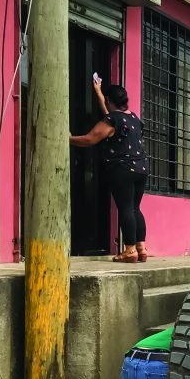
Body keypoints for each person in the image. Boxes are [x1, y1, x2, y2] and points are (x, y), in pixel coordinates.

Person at [70, 80, 150, 263]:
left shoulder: (112, 120)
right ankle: (141, 248)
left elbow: (90, 140)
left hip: (123, 169)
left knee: (126, 208)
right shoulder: (133, 118)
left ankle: (129, 251)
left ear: (109, 100)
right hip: (141, 168)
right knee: (135, 207)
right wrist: (98, 92)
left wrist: (68, 138)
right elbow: (111, 115)